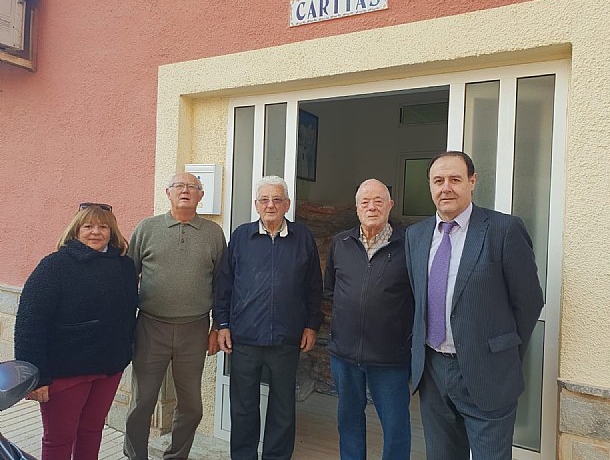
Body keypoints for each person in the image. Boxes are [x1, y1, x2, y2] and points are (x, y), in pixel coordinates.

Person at [405, 151, 544, 460]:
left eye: (455, 179)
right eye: (438, 181)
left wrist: (502, 352)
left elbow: (529, 302)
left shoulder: (503, 230)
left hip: (487, 373)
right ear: (430, 186)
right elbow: (418, 298)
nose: (446, 188)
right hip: (433, 372)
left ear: (472, 181)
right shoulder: (416, 235)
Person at [14, 203, 138, 460]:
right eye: (88, 226)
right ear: (75, 230)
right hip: (64, 372)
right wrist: (36, 376)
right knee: (59, 439)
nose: (96, 232)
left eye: (103, 226)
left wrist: (123, 354)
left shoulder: (125, 266)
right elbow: (29, 323)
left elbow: (127, 314)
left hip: (108, 368)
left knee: (91, 432)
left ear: (112, 231)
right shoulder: (54, 266)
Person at [216, 175, 323, 460]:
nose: (270, 205)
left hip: (287, 339)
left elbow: (314, 286)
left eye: (277, 199)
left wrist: (312, 325)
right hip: (244, 338)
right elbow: (225, 284)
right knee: (243, 408)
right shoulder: (241, 236)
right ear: (256, 205)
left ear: (287, 204)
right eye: (264, 200)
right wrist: (222, 324)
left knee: (283, 408)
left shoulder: (303, 237)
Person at [124, 172, 227, 460]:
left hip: (194, 330)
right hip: (150, 327)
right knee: (142, 402)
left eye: (192, 187)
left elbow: (222, 284)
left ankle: (176, 456)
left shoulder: (213, 234)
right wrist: (125, 326)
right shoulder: (147, 228)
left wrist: (217, 326)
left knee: (192, 406)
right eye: (179, 186)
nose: (185, 191)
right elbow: (126, 279)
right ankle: (135, 456)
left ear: (201, 195)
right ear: (168, 193)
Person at [324, 179, 414, 460]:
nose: (371, 207)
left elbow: (418, 298)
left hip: (390, 357)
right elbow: (331, 289)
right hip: (344, 354)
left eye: (378, 201)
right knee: (349, 420)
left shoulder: (409, 245)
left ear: (390, 205)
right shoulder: (340, 243)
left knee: (395, 425)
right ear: (356, 208)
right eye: (365, 202)